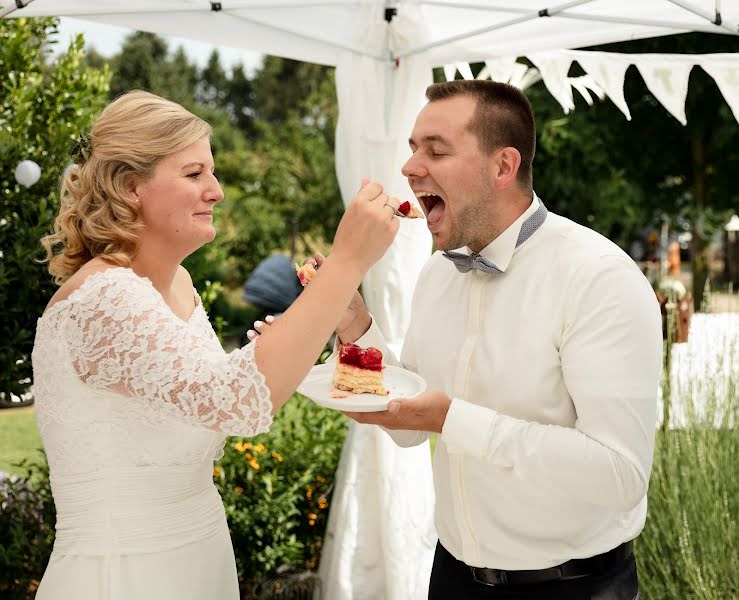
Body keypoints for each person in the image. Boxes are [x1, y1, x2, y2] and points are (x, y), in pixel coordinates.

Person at [32, 90, 401, 600]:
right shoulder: (103, 297)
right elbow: (239, 402)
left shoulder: (178, 284)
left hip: (200, 558)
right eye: (194, 173)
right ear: (130, 186)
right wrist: (347, 261)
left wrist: (272, 352)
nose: (217, 191)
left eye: (213, 171)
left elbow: (215, 393)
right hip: (125, 576)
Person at [327, 80, 663, 599]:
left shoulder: (598, 277)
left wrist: (451, 419)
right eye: (413, 148)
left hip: (574, 587)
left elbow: (620, 475)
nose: (410, 167)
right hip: (452, 577)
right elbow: (410, 427)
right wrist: (355, 326)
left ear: (503, 167)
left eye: (435, 150)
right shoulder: (436, 274)